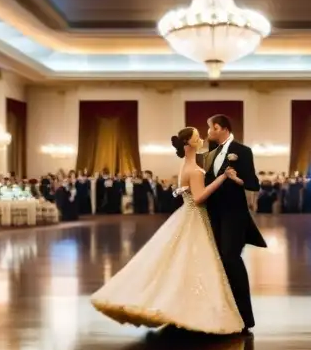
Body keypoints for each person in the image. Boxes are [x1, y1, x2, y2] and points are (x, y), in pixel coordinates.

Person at [91, 127, 245, 334]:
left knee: (182, 262)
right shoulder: (194, 170)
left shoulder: (186, 166)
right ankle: (192, 310)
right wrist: (222, 179)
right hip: (195, 217)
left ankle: (181, 307)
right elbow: (199, 198)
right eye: (197, 138)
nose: (201, 140)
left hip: (187, 214)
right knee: (197, 261)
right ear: (189, 144)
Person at [204, 114, 265, 330]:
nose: (208, 132)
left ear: (220, 128)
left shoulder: (242, 151)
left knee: (231, 258)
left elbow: (253, 184)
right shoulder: (211, 153)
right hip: (213, 215)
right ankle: (224, 313)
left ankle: (245, 317)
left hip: (234, 214)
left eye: (210, 128)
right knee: (219, 262)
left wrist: (236, 179)